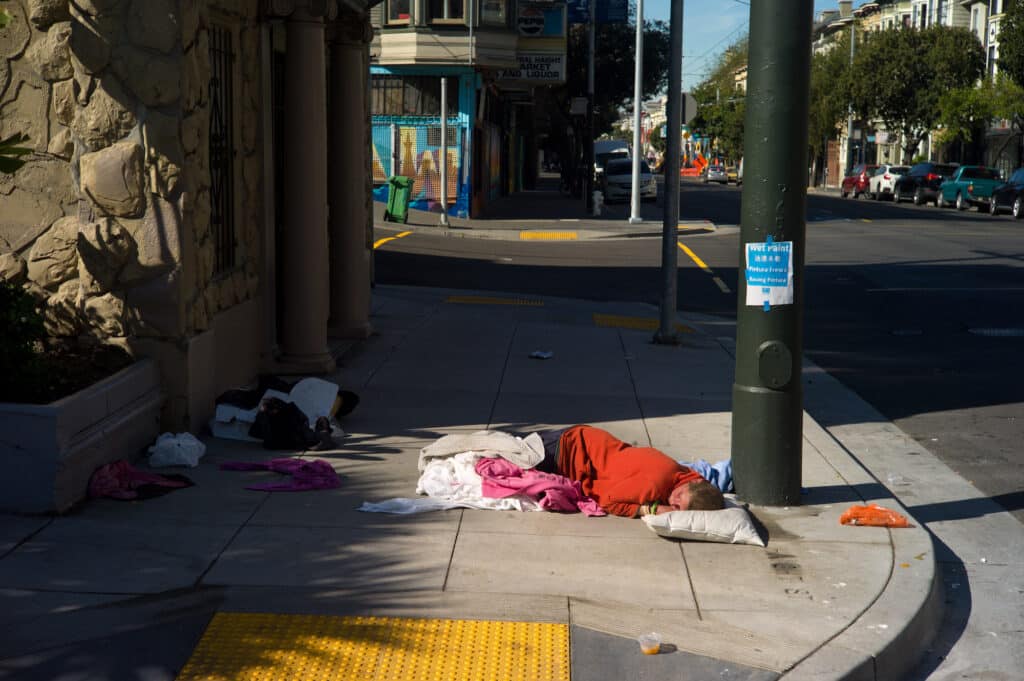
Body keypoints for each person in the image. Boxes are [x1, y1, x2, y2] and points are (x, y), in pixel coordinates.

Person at [534, 425, 724, 518]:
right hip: (564, 452)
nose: (673, 501)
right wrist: (650, 509)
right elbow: (610, 501)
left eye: (677, 506)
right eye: (679, 496)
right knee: (506, 457)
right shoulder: (656, 484)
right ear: (692, 484)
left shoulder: (687, 475)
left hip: (582, 438)